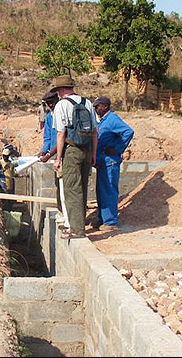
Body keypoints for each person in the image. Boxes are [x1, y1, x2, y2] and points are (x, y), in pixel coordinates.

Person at [51, 75, 98, 239]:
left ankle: (77, 230)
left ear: (61, 90)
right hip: (87, 149)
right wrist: (93, 154)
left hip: (72, 150)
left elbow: (61, 133)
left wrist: (58, 158)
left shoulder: (61, 105)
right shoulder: (87, 103)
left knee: (72, 189)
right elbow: (94, 132)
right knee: (82, 188)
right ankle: (79, 224)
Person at [93, 96, 134, 231]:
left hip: (110, 161)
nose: (95, 109)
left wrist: (117, 148)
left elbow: (128, 132)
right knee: (101, 191)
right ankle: (102, 218)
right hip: (102, 162)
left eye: (97, 106)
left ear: (105, 106)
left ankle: (110, 222)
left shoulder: (112, 119)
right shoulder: (103, 121)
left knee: (109, 191)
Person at [36, 91, 64, 216]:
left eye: (52, 102)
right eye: (48, 103)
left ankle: (67, 213)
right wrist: (44, 150)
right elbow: (47, 137)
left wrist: (49, 154)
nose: (51, 105)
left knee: (65, 185)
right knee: (58, 184)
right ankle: (61, 210)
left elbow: (63, 137)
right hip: (54, 156)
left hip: (63, 155)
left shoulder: (63, 114)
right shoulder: (49, 118)